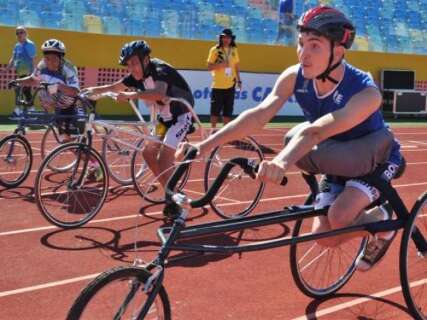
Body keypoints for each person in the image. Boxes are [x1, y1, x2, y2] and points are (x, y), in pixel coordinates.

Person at [178, 6, 404, 272]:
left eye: (315, 46)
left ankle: (384, 221)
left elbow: (316, 132)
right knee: (325, 238)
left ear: (338, 52)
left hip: (373, 159)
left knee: (339, 216)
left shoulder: (366, 91)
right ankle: (374, 221)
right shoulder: (294, 76)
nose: (303, 54)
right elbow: (258, 115)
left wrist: (282, 163)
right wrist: (204, 146)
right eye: (301, 44)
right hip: (337, 158)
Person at [82, 40, 195, 187]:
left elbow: (159, 93)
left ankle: (173, 197)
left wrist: (131, 95)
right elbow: (114, 87)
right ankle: (169, 190)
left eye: (134, 63)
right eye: (128, 65)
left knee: (164, 159)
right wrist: (90, 91)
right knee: (148, 154)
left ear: (146, 60)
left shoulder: (160, 69)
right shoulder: (136, 76)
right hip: (165, 119)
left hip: (182, 116)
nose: (131, 68)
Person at [207, 28, 242, 132]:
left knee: (228, 111)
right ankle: (212, 131)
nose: (226, 39)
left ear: (232, 39)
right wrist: (221, 65)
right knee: (215, 111)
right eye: (224, 37)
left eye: (228, 37)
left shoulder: (234, 50)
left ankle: (225, 131)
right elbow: (209, 67)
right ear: (221, 38)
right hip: (217, 85)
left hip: (231, 85)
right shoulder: (214, 50)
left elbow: (236, 66)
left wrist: (239, 80)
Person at [6, 26, 37, 117]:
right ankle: (29, 111)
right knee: (23, 91)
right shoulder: (17, 45)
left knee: (23, 91)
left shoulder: (30, 45)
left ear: (26, 33)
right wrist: (7, 68)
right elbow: (13, 58)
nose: (19, 34)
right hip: (20, 73)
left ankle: (20, 111)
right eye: (17, 33)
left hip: (28, 73)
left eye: (21, 32)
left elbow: (34, 59)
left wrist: (34, 73)